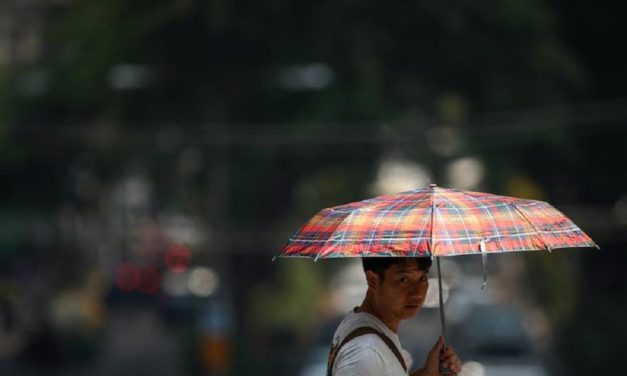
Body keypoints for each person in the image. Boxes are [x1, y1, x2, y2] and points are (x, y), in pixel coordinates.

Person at [327, 257, 462, 376]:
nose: (417, 293)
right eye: (404, 280)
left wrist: (428, 373)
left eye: (422, 278)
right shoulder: (366, 353)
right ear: (373, 280)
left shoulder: (370, 330)